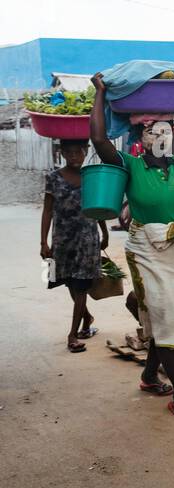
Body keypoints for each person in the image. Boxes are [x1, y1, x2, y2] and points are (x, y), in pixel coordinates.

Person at [89, 71, 174, 417]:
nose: (161, 135)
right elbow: (100, 140)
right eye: (154, 130)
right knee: (169, 313)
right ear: (142, 137)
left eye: (168, 130)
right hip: (146, 249)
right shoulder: (130, 166)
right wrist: (101, 93)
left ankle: (150, 374)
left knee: (166, 311)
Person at [39, 138, 110, 352]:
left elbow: (98, 207)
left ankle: (72, 335)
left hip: (87, 240)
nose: (74, 156)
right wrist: (44, 241)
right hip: (63, 240)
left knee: (81, 286)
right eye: (68, 152)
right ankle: (87, 317)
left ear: (86, 151)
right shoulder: (53, 178)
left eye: (78, 152)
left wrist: (105, 232)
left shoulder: (91, 177)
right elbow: (47, 210)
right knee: (70, 282)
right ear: (61, 153)